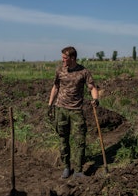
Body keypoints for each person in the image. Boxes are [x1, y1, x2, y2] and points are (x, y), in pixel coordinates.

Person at [47, 46, 99, 179]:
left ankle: (78, 170)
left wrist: (95, 99)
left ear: (72, 58)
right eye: (62, 57)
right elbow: (55, 87)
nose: (62, 60)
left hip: (76, 111)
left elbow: (92, 87)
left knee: (80, 140)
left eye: (65, 58)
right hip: (61, 109)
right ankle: (66, 167)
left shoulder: (83, 72)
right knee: (63, 139)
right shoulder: (60, 70)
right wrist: (50, 104)